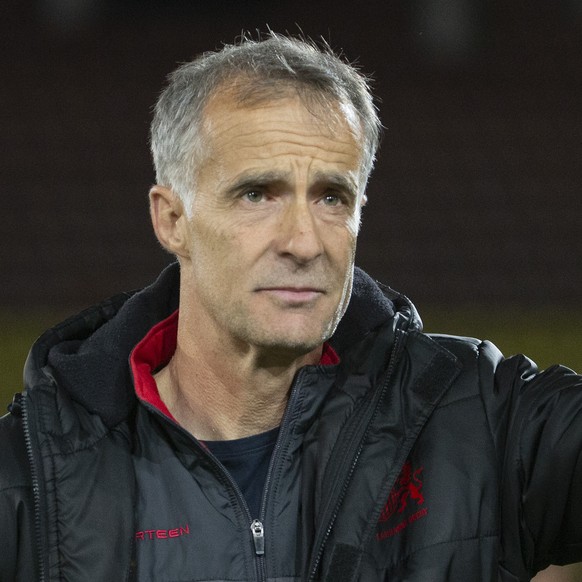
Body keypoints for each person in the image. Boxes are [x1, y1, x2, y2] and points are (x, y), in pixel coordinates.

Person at [1, 33, 581, 582]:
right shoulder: (27, 479)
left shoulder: (478, 419)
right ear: (171, 219)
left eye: (332, 197)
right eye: (257, 194)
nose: (304, 242)